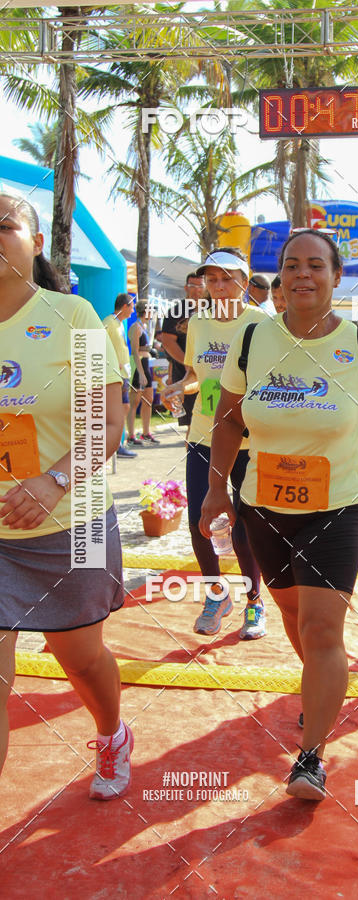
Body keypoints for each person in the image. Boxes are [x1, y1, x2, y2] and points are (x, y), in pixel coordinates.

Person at [199, 229, 358, 800]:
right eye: (292, 265)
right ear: (280, 277)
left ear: (336, 276)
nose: (302, 274)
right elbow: (229, 420)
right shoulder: (252, 339)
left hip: (337, 507)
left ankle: (311, 758)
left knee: (322, 628)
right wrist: (215, 490)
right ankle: (323, 685)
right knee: (293, 615)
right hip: (263, 506)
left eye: (315, 265)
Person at [0, 193, 133, 799]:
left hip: (74, 524)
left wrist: (53, 481)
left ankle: (111, 732)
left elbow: (107, 423)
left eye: (4, 226)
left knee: (79, 658)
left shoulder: (73, 316)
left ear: (35, 244)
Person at [162, 248, 267, 640]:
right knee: (199, 522)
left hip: (250, 440)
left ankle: (255, 602)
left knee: (245, 528)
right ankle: (216, 595)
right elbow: (194, 374)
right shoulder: (199, 322)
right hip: (203, 436)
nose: (219, 286)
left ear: (244, 281)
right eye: (212, 279)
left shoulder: (262, 323)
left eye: (227, 278)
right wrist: (179, 388)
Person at [156, 271, 206, 430]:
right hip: (186, 374)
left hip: (210, 373)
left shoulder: (214, 309)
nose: (197, 290)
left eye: (200, 286)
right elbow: (168, 341)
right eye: (193, 286)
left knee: (211, 420)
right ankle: (192, 446)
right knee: (192, 423)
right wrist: (187, 361)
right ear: (186, 287)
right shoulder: (176, 311)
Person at [103, 292, 136, 458]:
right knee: (117, 409)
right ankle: (115, 445)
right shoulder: (108, 322)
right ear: (124, 306)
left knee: (124, 407)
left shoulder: (120, 323)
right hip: (114, 374)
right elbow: (99, 345)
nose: (133, 311)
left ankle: (118, 443)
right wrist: (112, 363)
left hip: (123, 373)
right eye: (132, 307)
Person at [127, 300, 159, 445]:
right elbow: (134, 351)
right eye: (151, 310)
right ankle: (131, 435)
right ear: (145, 311)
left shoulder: (144, 326)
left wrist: (151, 349)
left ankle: (146, 433)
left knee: (148, 399)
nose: (152, 313)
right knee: (134, 401)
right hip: (138, 366)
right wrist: (140, 373)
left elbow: (143, 347)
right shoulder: (136, 327)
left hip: (146, 364)